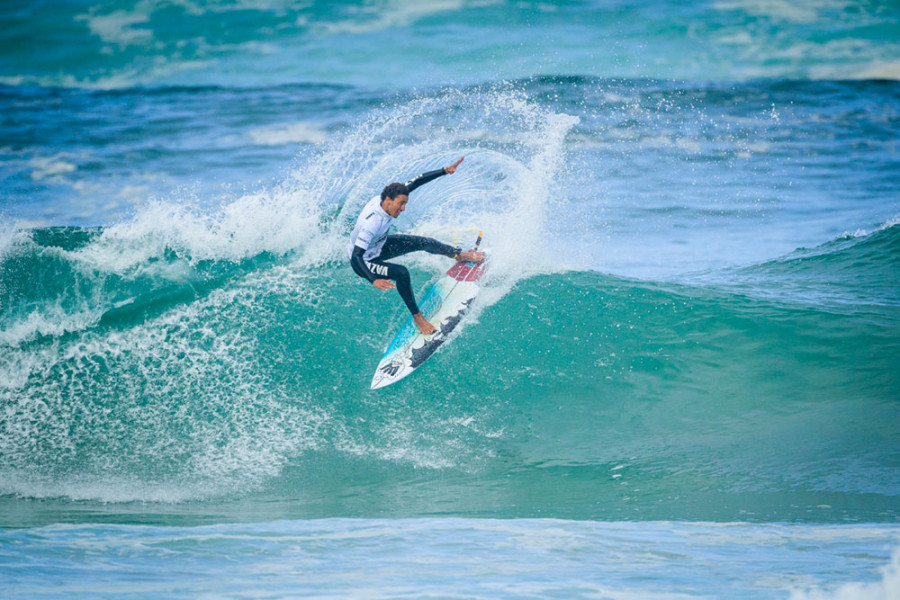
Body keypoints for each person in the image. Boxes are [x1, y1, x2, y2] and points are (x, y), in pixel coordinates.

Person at [348, 156, 485, 335]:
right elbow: (355, 257)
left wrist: (444, 170)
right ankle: (418, 318)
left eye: (405, 203)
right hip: (365, 261)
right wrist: (373, 279)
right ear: (389, 200)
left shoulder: (388, 199)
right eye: (401, 204)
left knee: (423, 242)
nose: (403, 208)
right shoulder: (372, 222)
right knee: (401, 273)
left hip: (379, 245)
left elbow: (418, 181)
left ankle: (460, 255)